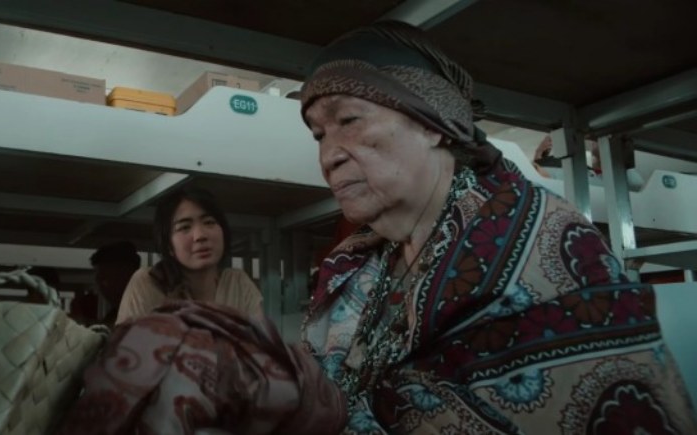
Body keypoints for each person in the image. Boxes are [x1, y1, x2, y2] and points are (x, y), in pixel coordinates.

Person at [299, 21, 695, 433]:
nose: (329, 156)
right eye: (318, 135)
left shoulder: (545, 241)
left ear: (432, 123)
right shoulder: (353, 266)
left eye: (349, 120)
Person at [115, 187, 263, 324]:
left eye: (209, 222)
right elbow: (129, 343)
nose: (200, 236)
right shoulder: (148, 283)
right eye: (184, 227)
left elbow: (259, 342)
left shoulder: (238, 283)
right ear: (168, 245)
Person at [71, 241, 141, 327]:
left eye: (105, 279)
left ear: (125, 274)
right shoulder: (115, 314)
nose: (102, 288)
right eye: (99, 281)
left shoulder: (143, 312)